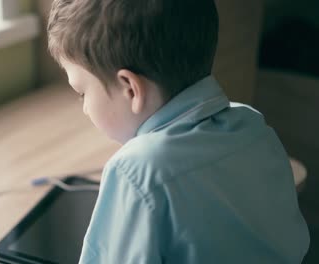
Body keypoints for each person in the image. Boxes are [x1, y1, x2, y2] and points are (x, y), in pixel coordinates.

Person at [47, 0, 310, 263]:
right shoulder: (252, 124)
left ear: (130, 88)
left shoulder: (136, 170)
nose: (83, 108)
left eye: (82, 92)